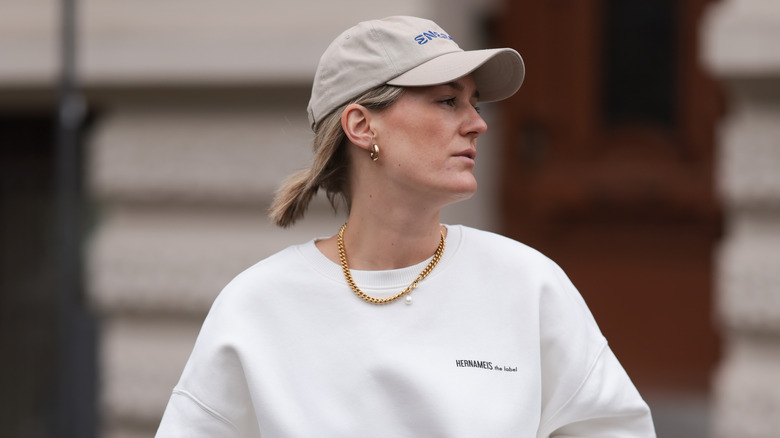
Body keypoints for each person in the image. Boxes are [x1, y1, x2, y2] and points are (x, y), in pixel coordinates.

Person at [156, 16, 656, 437]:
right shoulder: (257, 307)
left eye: (474, 103)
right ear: (361, 125)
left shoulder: (527, 284)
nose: (477, 123)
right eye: (447, 101)